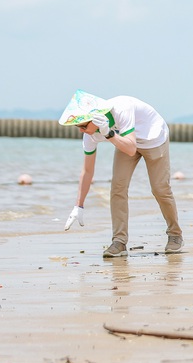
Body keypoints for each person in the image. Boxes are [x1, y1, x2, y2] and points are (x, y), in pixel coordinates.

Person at [59, 90, 183, 257]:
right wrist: (78, 205)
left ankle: (175, 235)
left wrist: (108, 134)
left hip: (153, 138)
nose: (81, 130)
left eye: (83, 126)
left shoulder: (122, 108)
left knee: (159, 188)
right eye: (77, 127)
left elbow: (131, 149)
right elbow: (87, 171)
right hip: (124, 141)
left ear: (96, 117)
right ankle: (119, 242)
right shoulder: (89, 135)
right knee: (117, 187)